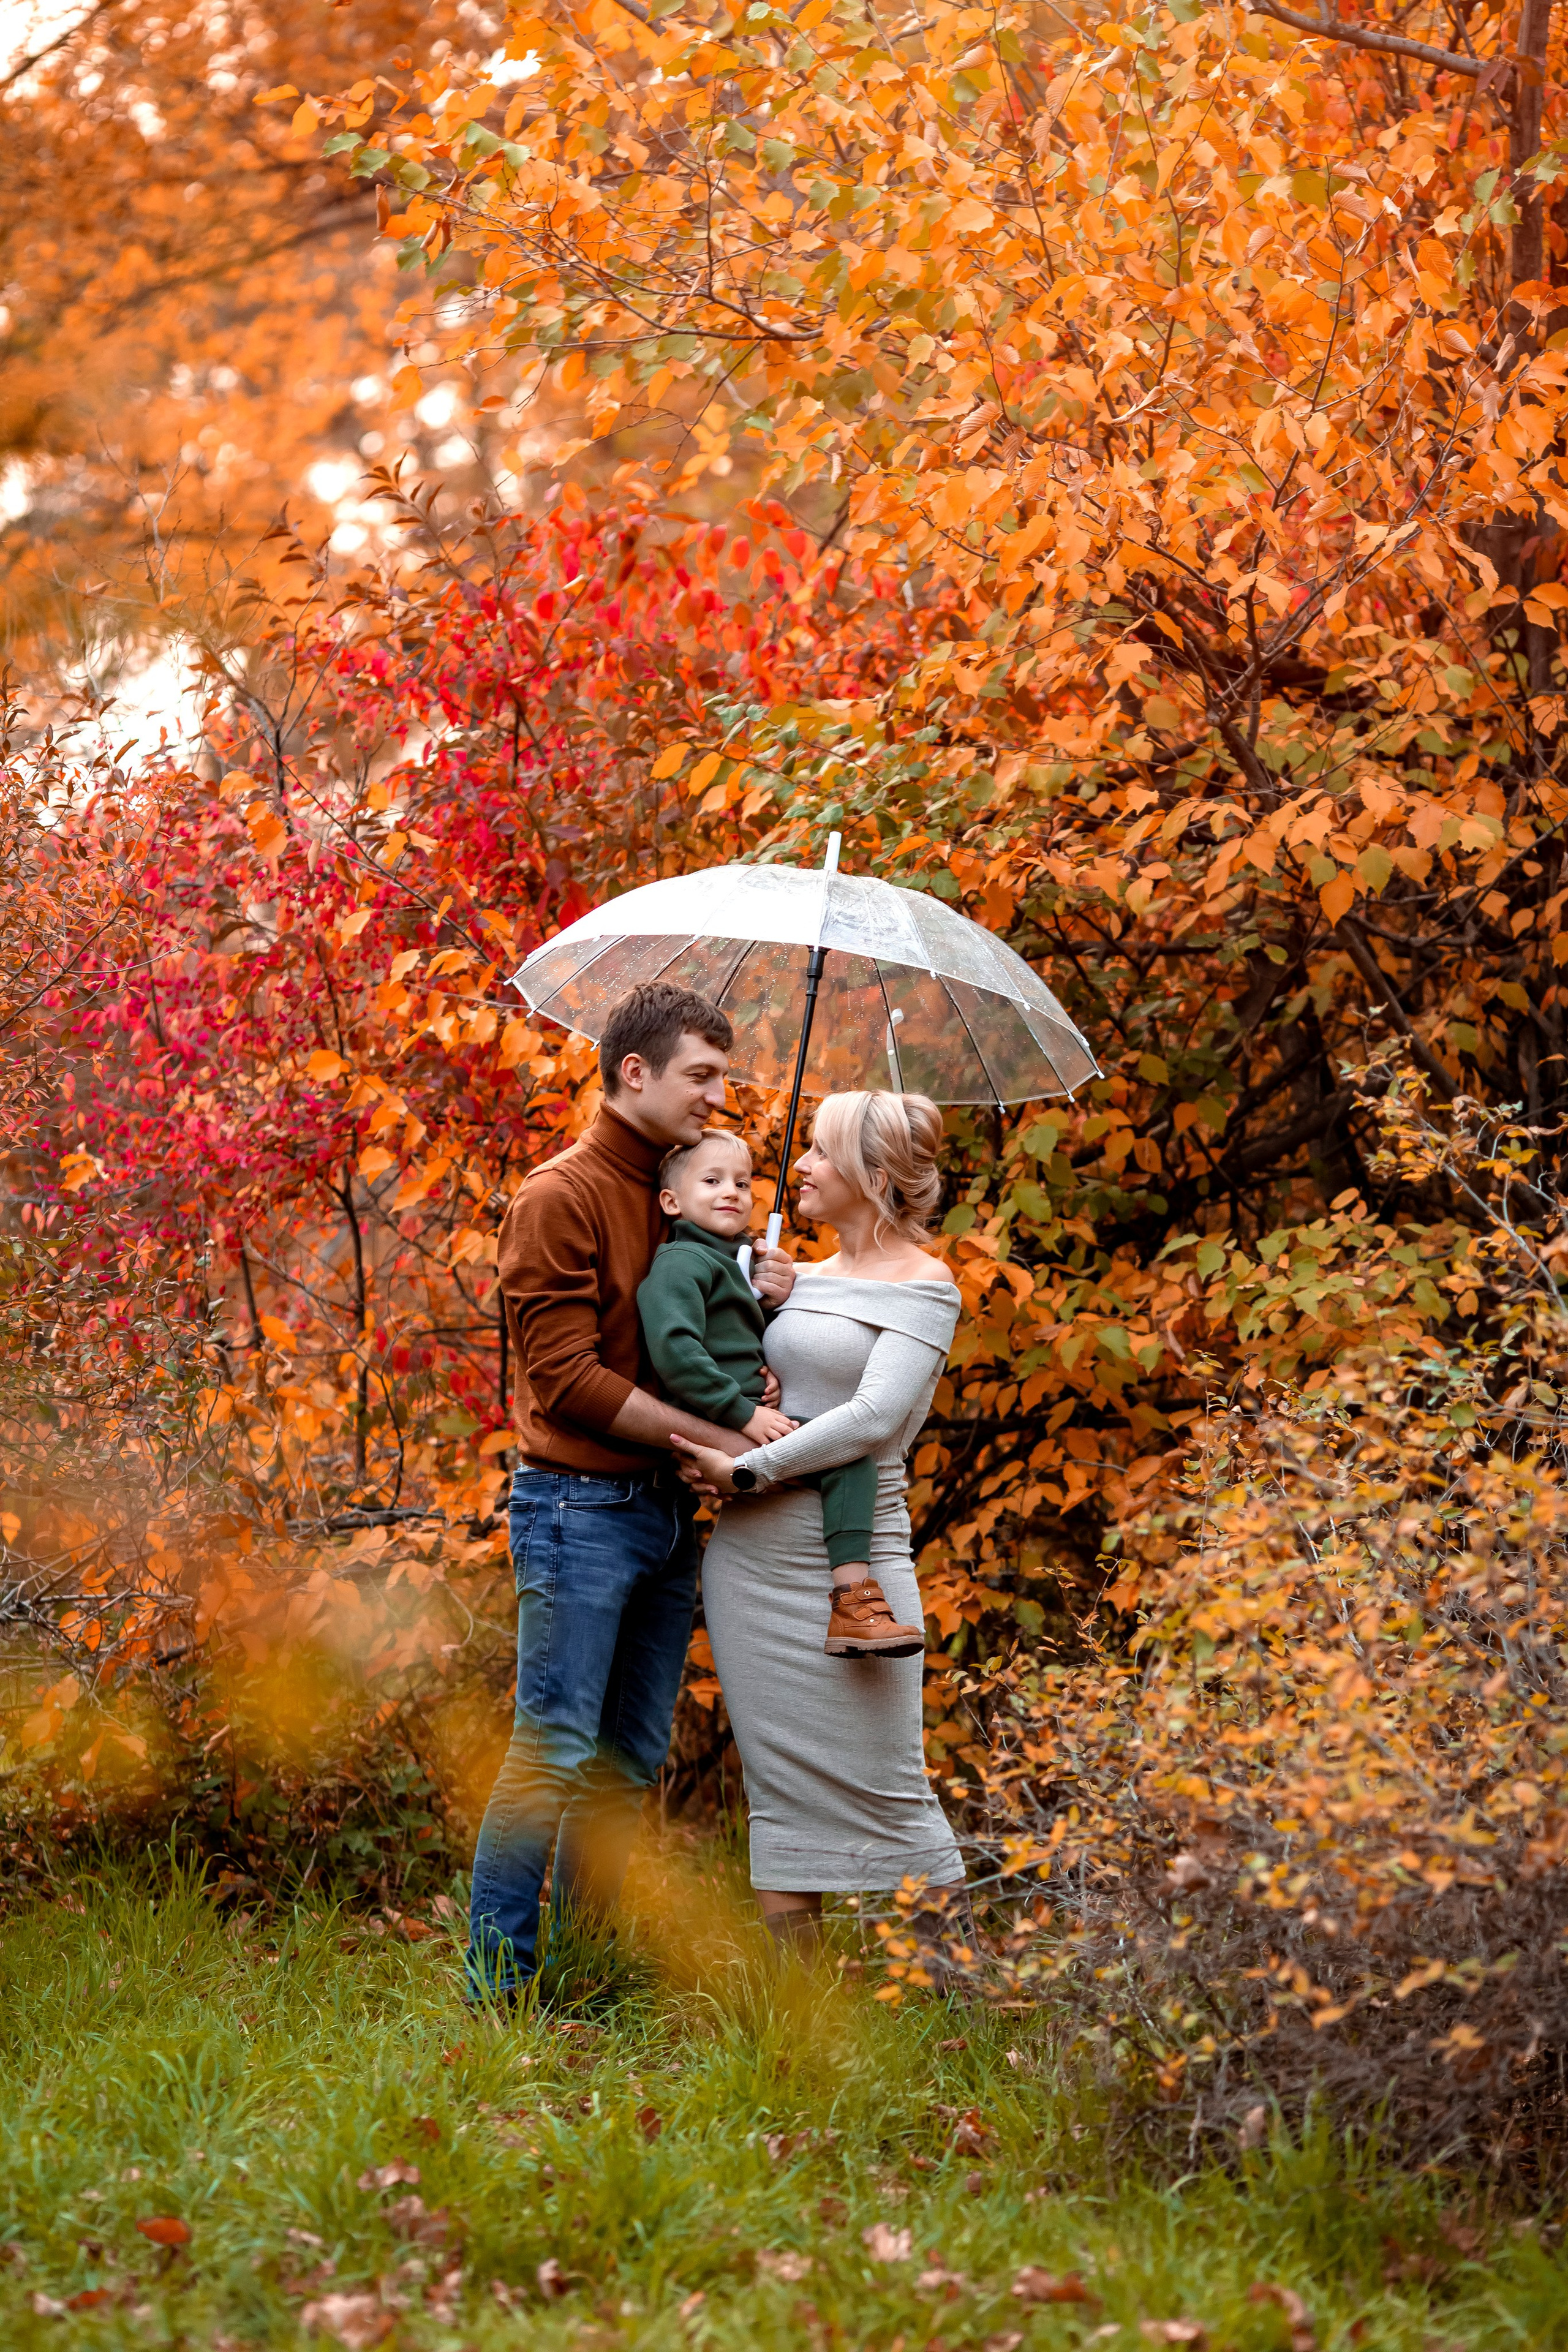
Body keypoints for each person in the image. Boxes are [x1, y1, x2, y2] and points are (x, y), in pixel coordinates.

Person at [467, 981, 793, 2003]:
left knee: (627, 1760)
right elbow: (569, 1381)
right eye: (701, 1076)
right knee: (554, 1747)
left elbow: (695, 1349)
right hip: (577, 1510)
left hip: (665, 1512)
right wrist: (724, 1430)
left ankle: (582, 1972)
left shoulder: (686, 1195)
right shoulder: (557, 1198)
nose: (717, 1098)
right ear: (635, 1072)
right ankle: (497, 1992)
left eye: (723, 1077)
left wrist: (761, 1295)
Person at [671, 1090, 970, 1963]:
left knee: (892, 1781)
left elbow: (876, 1417)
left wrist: (748, 1468)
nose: (797, 1167)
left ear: (873, 1177)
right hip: (754, 1561)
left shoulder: (927, 1286)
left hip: (859, 1563)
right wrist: (755, 1306)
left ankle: (959, 1997)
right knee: (778, 1784)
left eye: (820, 1154)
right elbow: (750, 1371)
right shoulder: (794, 1275)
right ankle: (800, 2016)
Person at [636, 1127, 925, 1658]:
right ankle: (854, 1599)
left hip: (752, 1417)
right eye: (713, 1180)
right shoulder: (681, 1264)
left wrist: (768, 1335)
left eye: (743, 1183)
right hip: (732, 1422)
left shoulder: (737, 1261)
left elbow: (736, 1333)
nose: (731, 1192)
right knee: (849, 1461)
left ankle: (852, 1601)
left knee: (846, 1458)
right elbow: (677, 1353)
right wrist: (741, 1413)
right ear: (672, 1201)